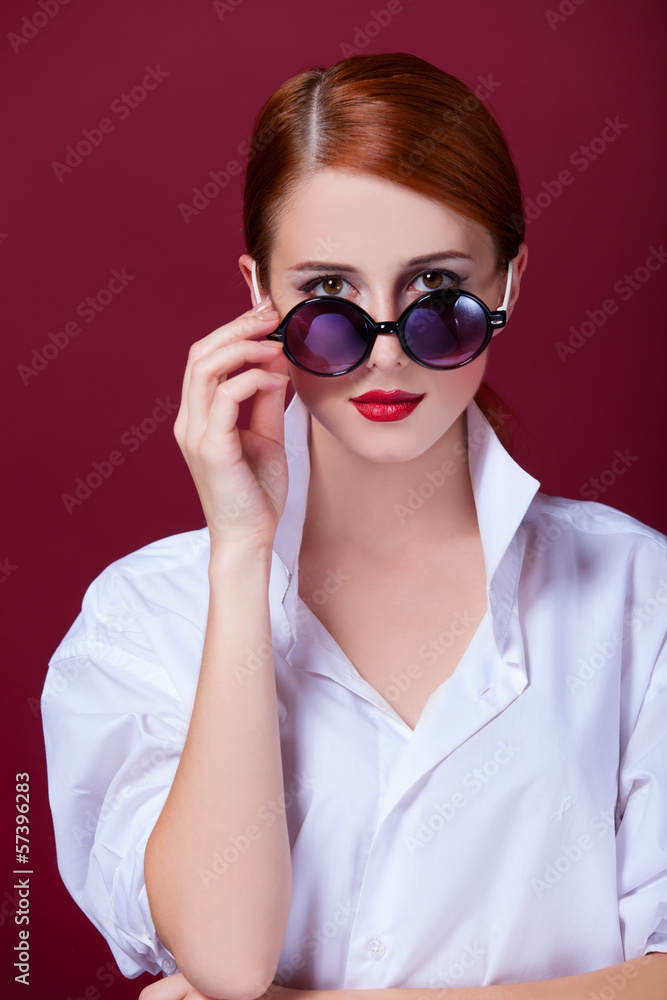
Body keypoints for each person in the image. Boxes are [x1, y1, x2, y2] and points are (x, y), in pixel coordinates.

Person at [41, 53, 667, 1000]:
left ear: (508, 286)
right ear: (260, 296)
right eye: (329, 298)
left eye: (434, 295)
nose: (384, 356)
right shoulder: (145, 618)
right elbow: (223, 958)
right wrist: (242, 557)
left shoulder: (637, 593)